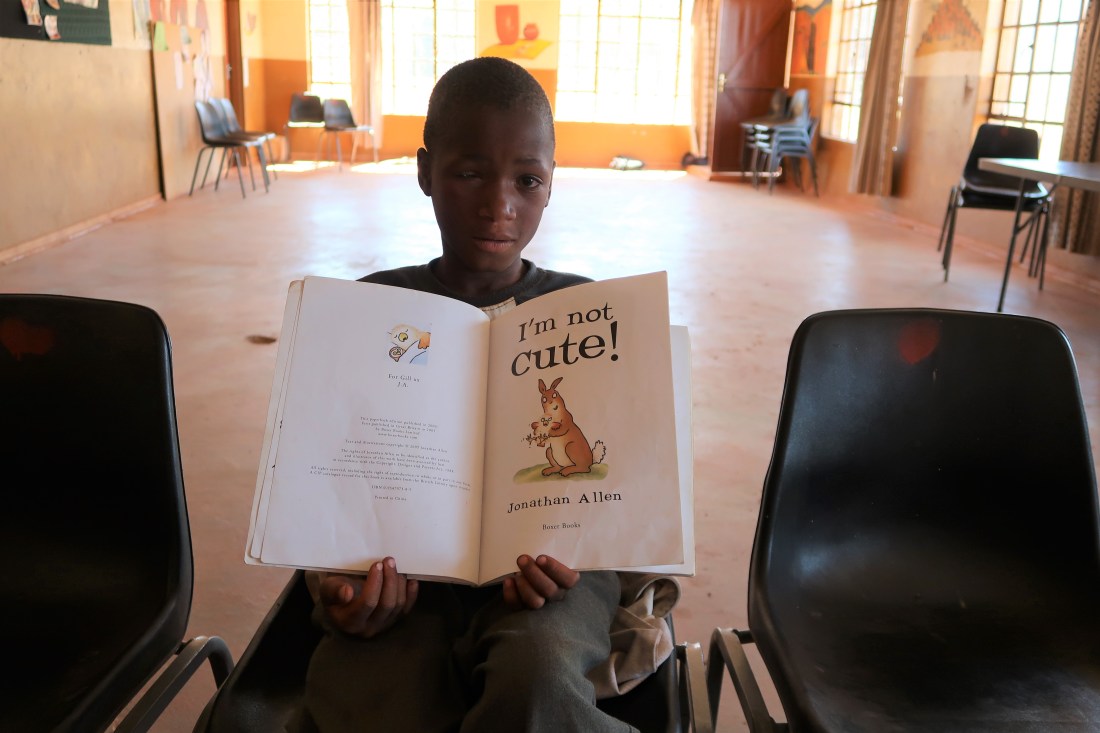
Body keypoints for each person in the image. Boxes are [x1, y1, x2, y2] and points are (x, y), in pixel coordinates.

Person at [290, 56, 676, 733]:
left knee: (541, 679)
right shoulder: (372, 307)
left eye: (527, 180)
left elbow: (620, 489)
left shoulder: (588, 312)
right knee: (368, 698)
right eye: (469, 173)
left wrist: (575, 555)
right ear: (424, 172)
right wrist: (340, 588)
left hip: (553, 578)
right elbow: (329, 479)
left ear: (551, 186)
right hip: (402, 580)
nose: (500, 204)